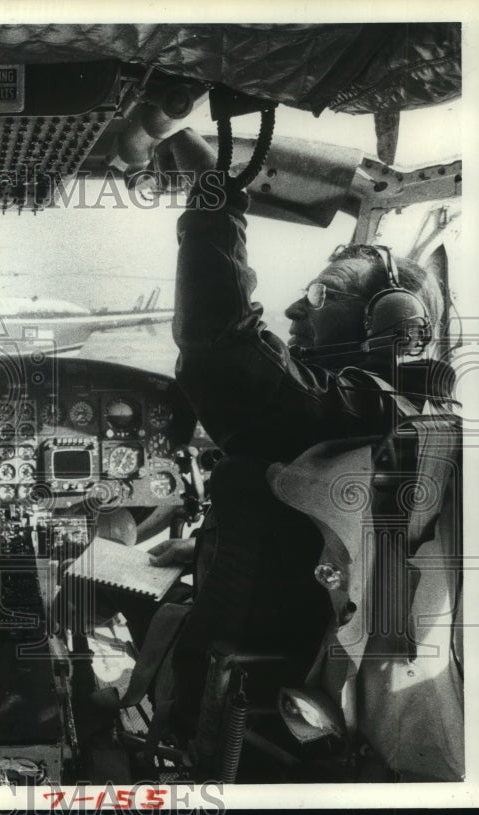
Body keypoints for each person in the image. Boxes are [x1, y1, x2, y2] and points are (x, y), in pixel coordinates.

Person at [147, 128, 451, 742]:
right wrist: (209, 547)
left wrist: (216, 195)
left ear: (388, 329)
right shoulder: (377, 411)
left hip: (249, 706)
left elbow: (223, 349)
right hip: (262, 670)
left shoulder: (366, 407)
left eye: (321, 295)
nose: (294, 310)